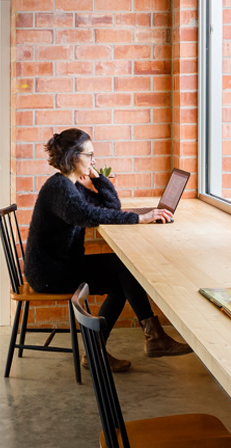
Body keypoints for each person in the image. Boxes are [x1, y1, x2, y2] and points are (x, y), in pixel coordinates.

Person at [23, 128, 191, 372]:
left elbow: (111, 206)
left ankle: (129, 343)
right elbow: (89, 216)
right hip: (49, 274)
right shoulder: (58, 188)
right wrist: (139, 219)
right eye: (89, 155)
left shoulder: (71, 185)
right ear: (72, 156)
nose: (93, 160)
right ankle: (150, 339)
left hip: (62, 264)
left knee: (122, 274)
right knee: (123, 274)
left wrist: (98, 177)